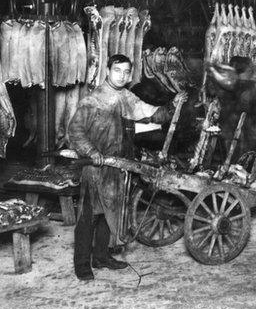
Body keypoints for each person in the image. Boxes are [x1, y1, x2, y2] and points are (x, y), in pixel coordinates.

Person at [67, 54, 185, 280]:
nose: (121, 76)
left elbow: (152, 114)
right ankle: (82, 265)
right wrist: (92, 152)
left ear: (130, 74)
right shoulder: (94, 100)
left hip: (117, 166)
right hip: (95, 167)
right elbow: (75, 131)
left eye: (126, 72)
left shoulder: (126, 97)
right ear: (108, 71)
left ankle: (101, 257)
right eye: (117, 70)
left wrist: (172, 106)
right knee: (89, 216)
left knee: (109, 213)